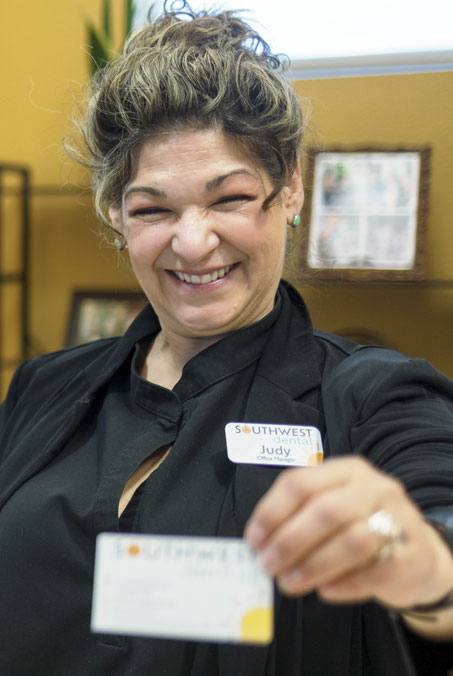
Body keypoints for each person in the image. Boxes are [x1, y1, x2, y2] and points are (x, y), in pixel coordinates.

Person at [1, 3, 453, 674]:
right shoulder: (46, 387)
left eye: (230, 199)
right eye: (152, 209)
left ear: (290, 187)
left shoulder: (372, 397)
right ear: (116, 217)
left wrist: (417, 563)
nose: (192, 241)